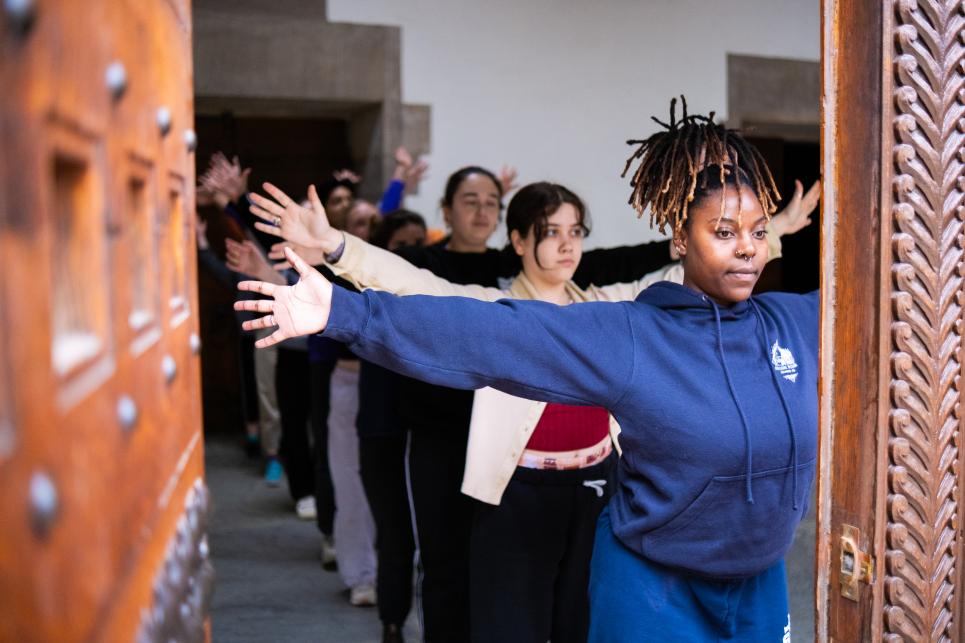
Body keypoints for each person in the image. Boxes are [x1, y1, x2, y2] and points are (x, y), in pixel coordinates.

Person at [237, 100, 819, 641]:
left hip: (616, 499)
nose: (746, 246)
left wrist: (777, 230)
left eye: (757, 232)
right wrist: (342, 283)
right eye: (723, 232)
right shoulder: (613, 331)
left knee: (569, 616)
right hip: (552, 510)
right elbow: (457, 317)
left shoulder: (632, 304)